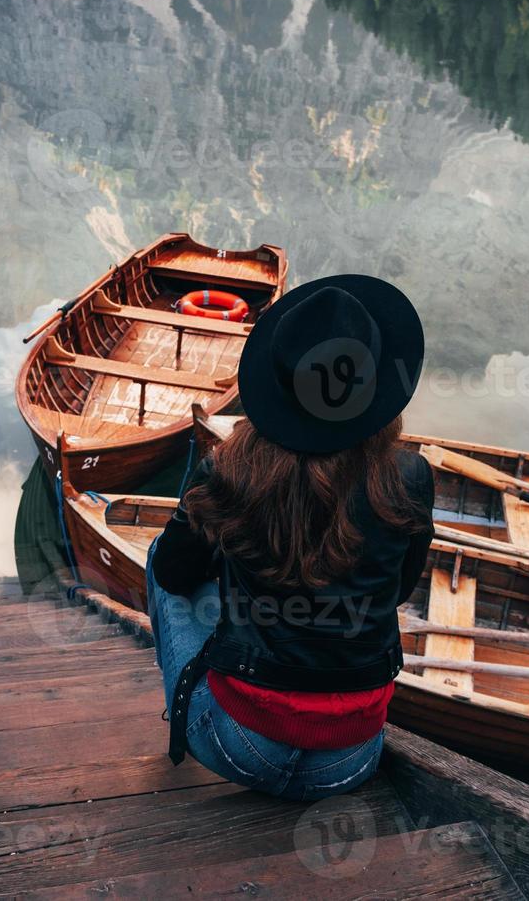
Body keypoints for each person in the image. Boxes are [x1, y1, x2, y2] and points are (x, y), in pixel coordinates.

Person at [147, 274, 434, 800]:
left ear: (277, 385)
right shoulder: (409, 477)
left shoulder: (228, 469)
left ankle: (193, 710)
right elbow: (397, 593)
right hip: (351, 759)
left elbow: (173, 574)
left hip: (238, 747)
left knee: (161, 561)